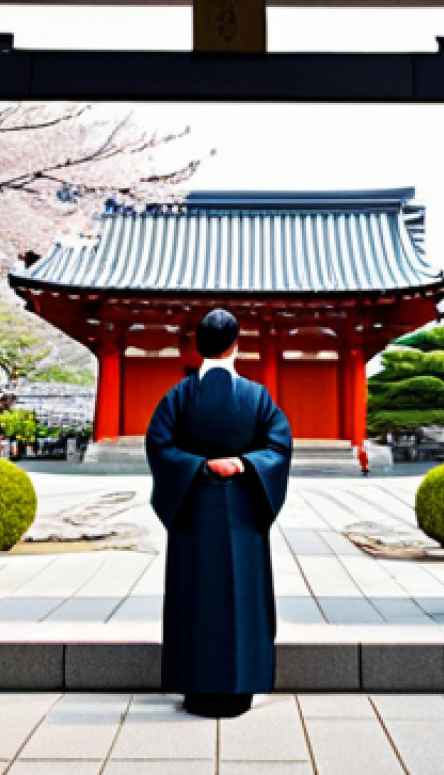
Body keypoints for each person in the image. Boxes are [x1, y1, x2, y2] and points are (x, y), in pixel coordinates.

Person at [146, 308, 293, 719]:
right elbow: (279, 446)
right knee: (240, 597)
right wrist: (246, 464)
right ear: (236, 345)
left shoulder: (178, 395)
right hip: (244, 509)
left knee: (196, 596)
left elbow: (159, 444)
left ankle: (195, 686)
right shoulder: (257, 396)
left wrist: (196, 466)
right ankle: (240, 687)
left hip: (193, 508)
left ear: (197, 346)